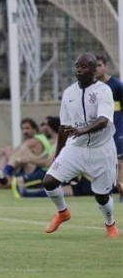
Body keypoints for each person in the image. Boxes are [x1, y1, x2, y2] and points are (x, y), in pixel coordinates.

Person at [42, 53, 118, 238]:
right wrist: (58, 154)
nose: (79, 69)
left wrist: (84, 130)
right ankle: (63, 213)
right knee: (49, 181)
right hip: (76, 148)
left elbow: (103, 120)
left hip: (102, 150)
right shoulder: (69, 93)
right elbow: (63, 126)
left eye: (84, 66)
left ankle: (110, 226)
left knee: (101, 196)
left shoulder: (103, 91)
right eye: (77, 66)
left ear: (94, 70)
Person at [96, 54, 123, 203]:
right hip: (101, 131)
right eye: (95, 66)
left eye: (100, 65)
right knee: (104, 162)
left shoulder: (117, 86)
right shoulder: (93, 87)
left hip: (118, 128)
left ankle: (121, 191)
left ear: (105, 66)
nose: (98, 69)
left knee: (120, 162)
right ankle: (105, 192)